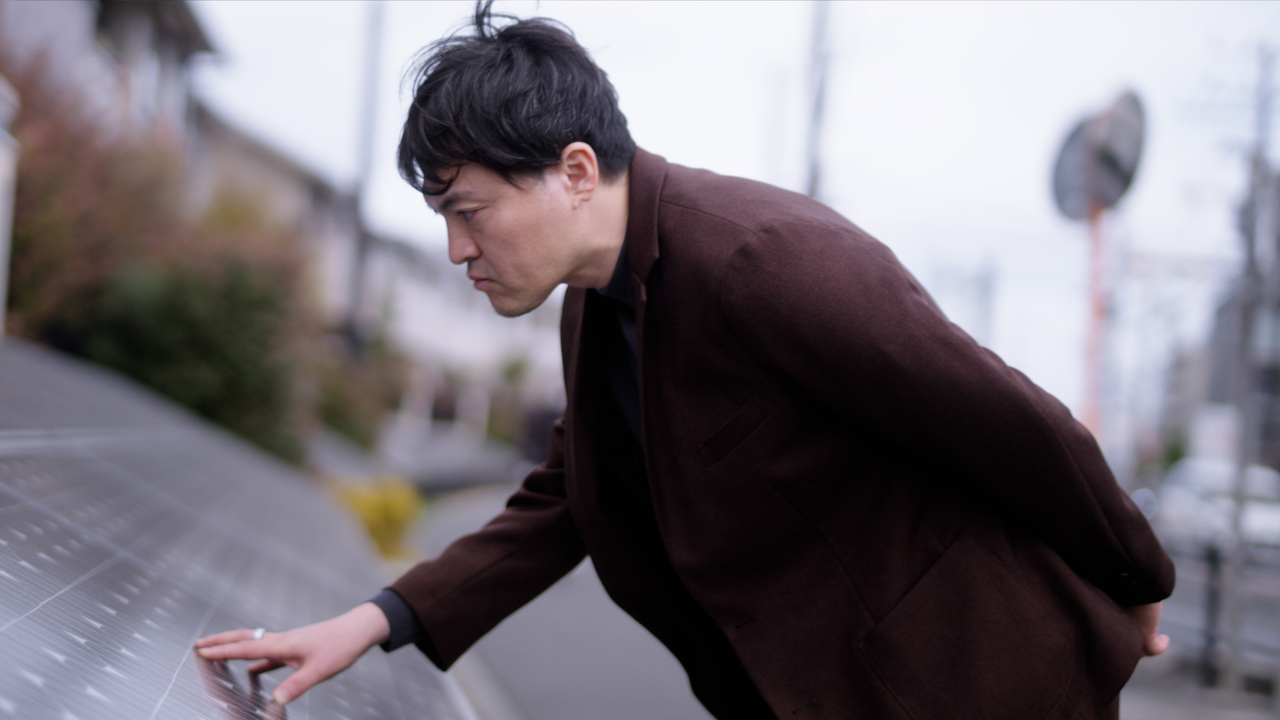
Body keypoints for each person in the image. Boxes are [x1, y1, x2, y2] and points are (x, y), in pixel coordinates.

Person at [197, 4, 1175, 718]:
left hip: (982, 684)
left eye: (470, 211)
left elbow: (999, 416)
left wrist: (1136, 579)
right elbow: (564, 503)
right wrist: (371, 622)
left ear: (576, 172)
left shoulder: (764, 258)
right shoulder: (595, 303)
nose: (457, 249)